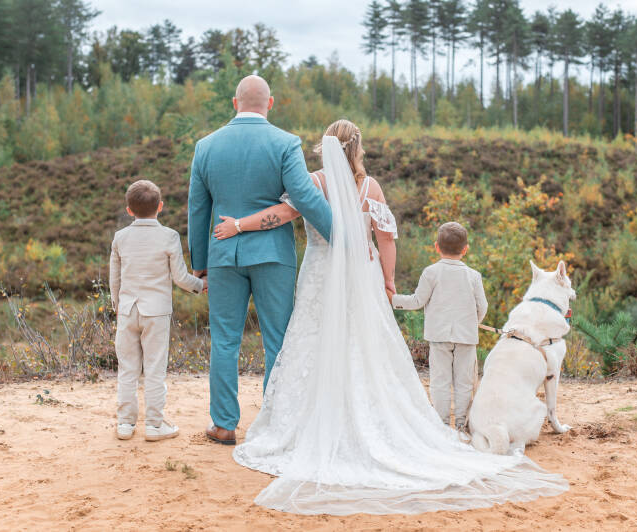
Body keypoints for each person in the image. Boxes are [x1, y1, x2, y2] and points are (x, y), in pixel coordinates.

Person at [213, 119, 568, 515]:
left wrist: (238, 225)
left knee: (315, 343)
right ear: (358, 147)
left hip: (318, 276)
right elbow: (385, 239)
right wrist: (387, 280)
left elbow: (280, 214)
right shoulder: (370, 188)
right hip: (361, 276)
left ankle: (316, 420)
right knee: (366, 346)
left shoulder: (312, 183)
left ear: (324, 147)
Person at [187, 75, 332, 446]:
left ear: (234, 103)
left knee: (224, 341)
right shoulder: (286, 144)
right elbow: (305, 198)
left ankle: (223, 425)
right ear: (270, 104)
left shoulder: (205, 147)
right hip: (272, 255)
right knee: (277, 341)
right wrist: (342, 237)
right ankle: (274, 425)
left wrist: (199, 263)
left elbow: (198, 210)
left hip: (222, 256)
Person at [109, 180, 204, 441]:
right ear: (160, 206)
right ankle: (154, 425)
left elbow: (114, 280)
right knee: (155, 369)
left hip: (128, 310)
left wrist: (118, 307)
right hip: (156, 312)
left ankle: (125, 425)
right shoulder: (169, 236)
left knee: (127, 369)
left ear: (129, 210)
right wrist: (201, 285)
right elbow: (181, 278)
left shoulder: (121, 238)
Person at [392, 222, 488, 429]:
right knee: (464, 383)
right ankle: (462, 424)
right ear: (465, 249)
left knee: (440, 381)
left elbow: (417, 301)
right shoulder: (474, 276)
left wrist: (393, 299)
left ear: (437, 246)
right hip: (466, 337)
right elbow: (483, 307)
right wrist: (472, 323)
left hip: (439, 336)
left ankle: (442, 424)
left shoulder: (431, 272)